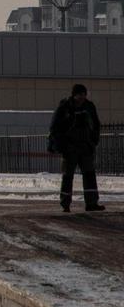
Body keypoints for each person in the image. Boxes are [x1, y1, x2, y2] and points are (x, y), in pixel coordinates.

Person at [50, 84, 106, 212]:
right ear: (74, 95)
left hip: (85, 146)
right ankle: (65, 203)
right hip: (70, 148)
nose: (82, 97)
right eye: (79, 94)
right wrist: (63, 144)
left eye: (83, 94)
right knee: (68, 176)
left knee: (89, 174)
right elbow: (54, 127)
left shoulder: (89, 107)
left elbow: (96, 125)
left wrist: (93, 142)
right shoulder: (65, 107)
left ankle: (91, 203)